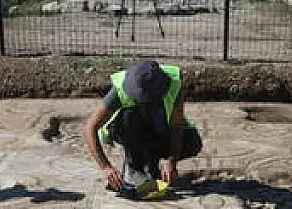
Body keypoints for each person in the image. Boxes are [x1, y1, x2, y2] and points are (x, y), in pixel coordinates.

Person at [82, 60, 203, 198]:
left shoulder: (174, 83)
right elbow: (89, 128)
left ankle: (151, 163)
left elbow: (176, 127)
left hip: (158, 129)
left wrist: (171, 160)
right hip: (128, 130)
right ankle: (134, 164)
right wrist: (106, 167)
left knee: (192, 142)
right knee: (129, 116)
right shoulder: (120, 88)